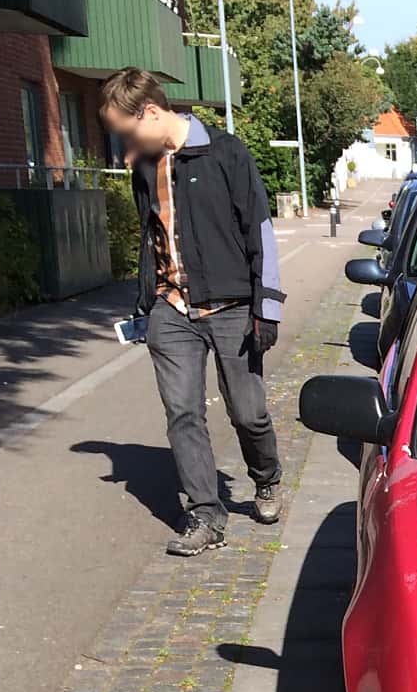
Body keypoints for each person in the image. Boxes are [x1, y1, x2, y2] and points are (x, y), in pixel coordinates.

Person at [98, 68, 285, 556]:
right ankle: (205, 515)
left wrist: (267, 306)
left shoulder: (226, 153)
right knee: (183, 413)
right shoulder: (145, 165)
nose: (124, 146)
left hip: (232, 308)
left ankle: (266, 478)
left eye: (127, 131)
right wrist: (146, 303)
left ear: (153, 113)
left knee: (248, 412)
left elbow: (259, 231)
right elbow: (150, 237)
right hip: (171, 309)